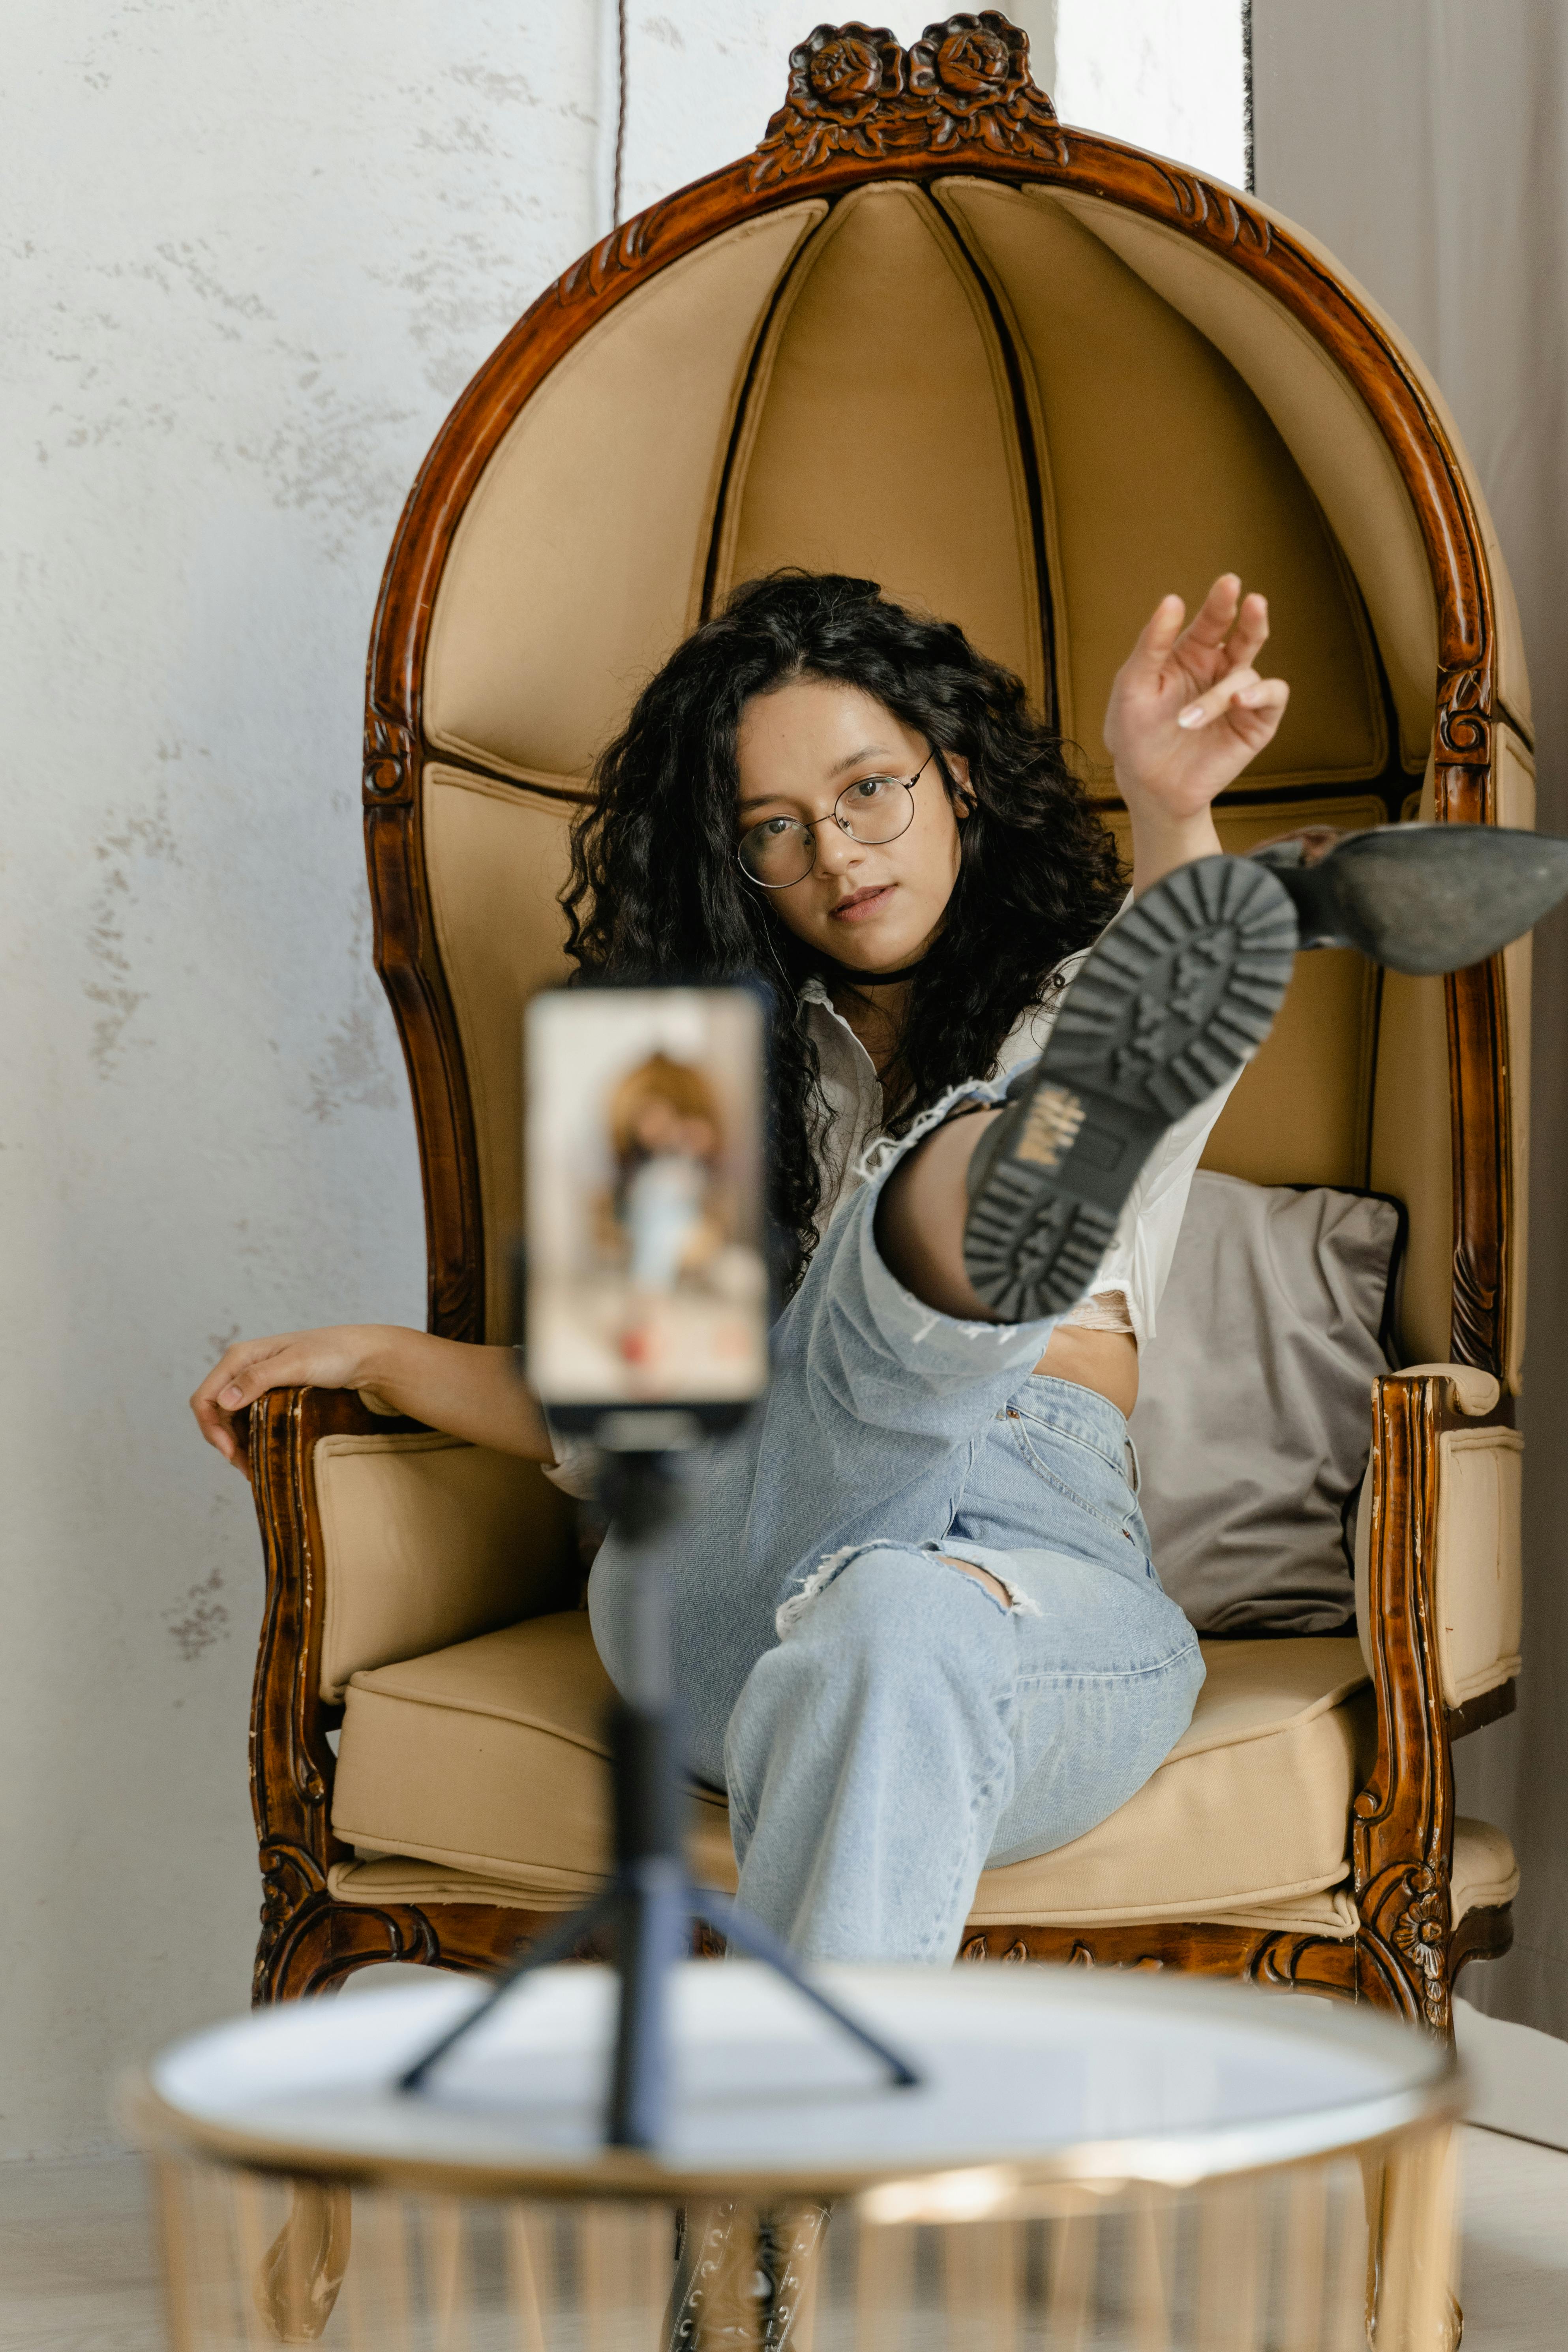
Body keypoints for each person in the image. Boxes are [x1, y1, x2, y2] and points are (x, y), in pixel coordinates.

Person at [189, 569, 1549, 1965]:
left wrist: (1168, 804)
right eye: (773, 831)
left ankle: (780, 2176)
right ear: (731, 862)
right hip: (742, 1542)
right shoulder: (666, 1076)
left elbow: (1142, 934)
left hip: (1038, 1573)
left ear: (953, 775)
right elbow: (620, 1420)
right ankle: (1004, 1164)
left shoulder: (1071, 994)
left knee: (895, 1621)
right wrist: (377, 1358)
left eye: (866, 794)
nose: (835, 856)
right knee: (879, 1305)